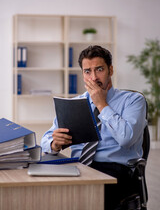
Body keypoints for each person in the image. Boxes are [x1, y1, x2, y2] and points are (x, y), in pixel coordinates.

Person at [41, 45, 147, 209]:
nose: (94, 77)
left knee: (85, 198)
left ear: (110, 70)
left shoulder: (133, 100)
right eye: (87, 71)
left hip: (115, 171)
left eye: (99, 69)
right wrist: (55, 143)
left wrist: (101, 104)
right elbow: (45, 140)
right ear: (83, 74)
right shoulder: (75, 103)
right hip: (79, 167)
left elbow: (126, 139)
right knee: (48, 193)